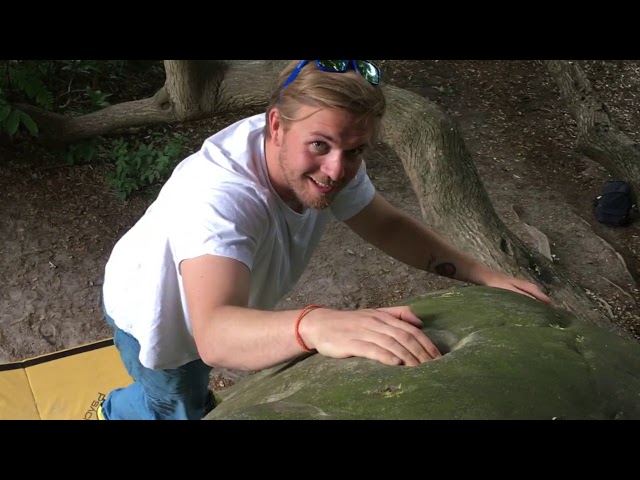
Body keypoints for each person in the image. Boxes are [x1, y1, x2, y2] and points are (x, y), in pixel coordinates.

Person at [98, 60, 552, 420]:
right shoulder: (220, 197)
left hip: (210, 304)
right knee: (174, 405)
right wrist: (315, 324)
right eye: (321, 146)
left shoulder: (322, 145)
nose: (337, 171)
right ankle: (116, 411)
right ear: (275, 125)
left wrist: (485, 274)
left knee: (193, 390)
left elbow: (386, 225)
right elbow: (215, 334)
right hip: (155, 318)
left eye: (355, 151)